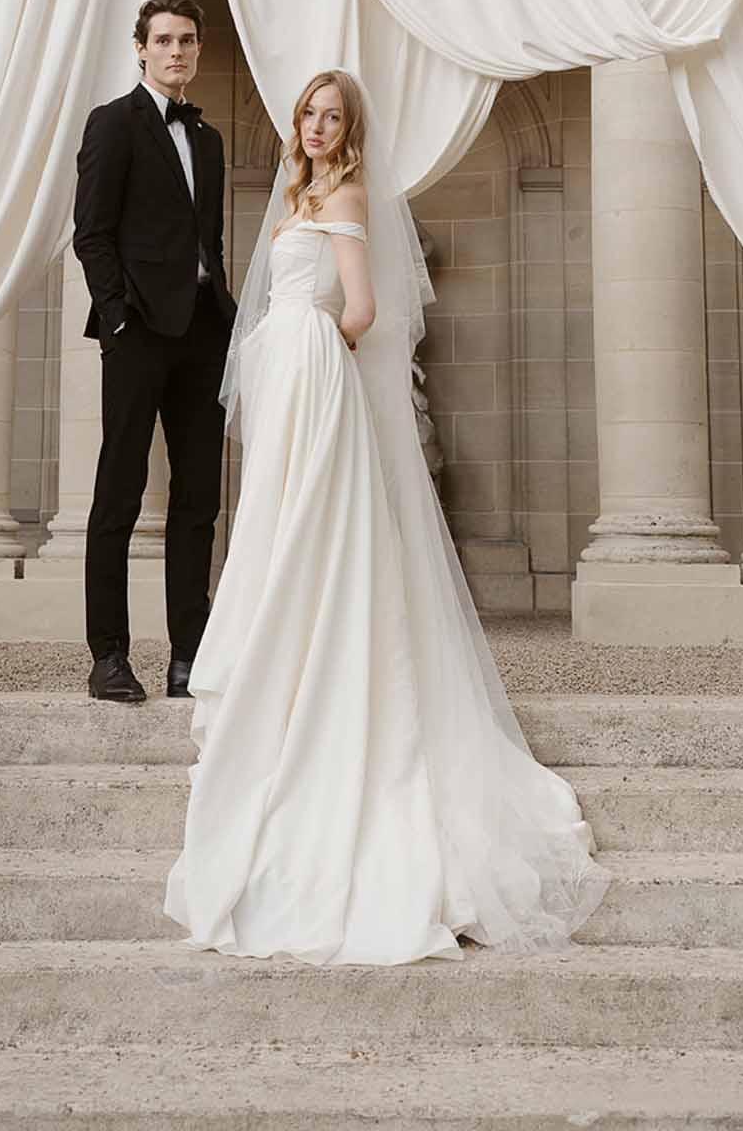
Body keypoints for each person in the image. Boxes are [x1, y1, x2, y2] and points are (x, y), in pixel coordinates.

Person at [164, 68, 610, 965]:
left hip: (317, 374)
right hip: (291, 381)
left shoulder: (348, 195)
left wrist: (310, 345)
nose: (319, 125)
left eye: (333, 116)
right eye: (310, 113)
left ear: (350, 129)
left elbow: (363, 309)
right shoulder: (301, 192)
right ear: (297, 122)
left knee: (312, 540)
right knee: (278, 532)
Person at [72, 0, 236, 706]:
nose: (176, 51)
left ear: (198, 51)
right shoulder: (114, 124)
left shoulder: (208, 140)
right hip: (137, 333)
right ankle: (109, 654)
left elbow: (210, 245)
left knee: (199, 499)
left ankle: (188, 656)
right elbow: (91, 233)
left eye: (188, 40)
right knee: (120, 490)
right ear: (141, 48)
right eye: (164, 40)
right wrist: (117, 319)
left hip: (203, 334)